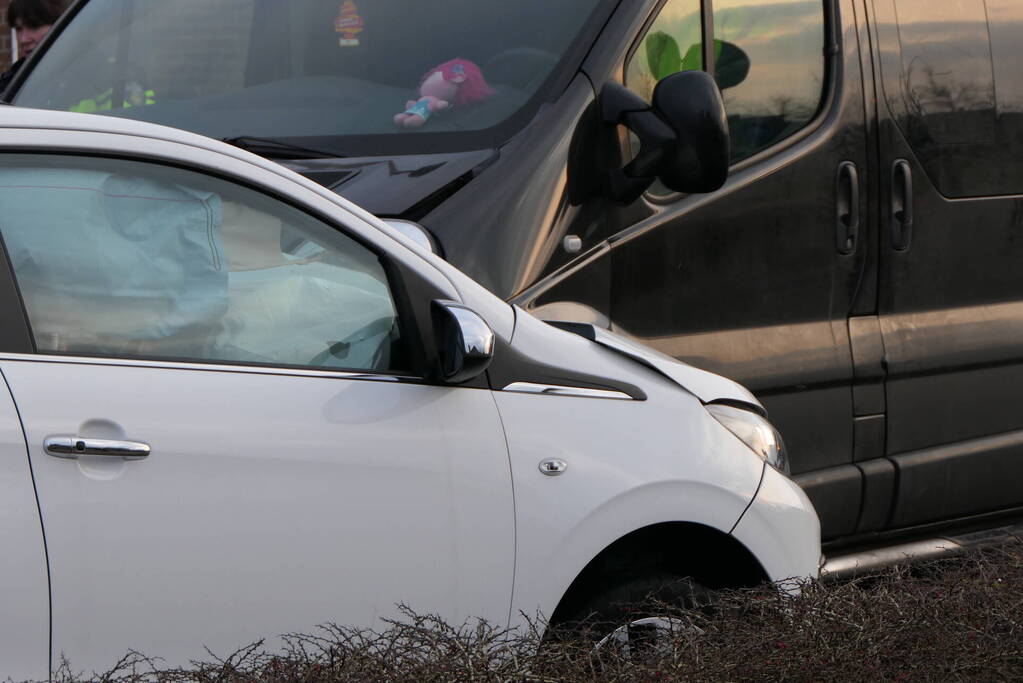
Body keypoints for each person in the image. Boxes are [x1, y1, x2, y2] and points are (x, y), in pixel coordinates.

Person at [0, 0, 69, 93]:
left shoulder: (86, 73)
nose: (23, 39)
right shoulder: (12, 82)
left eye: (34, 26)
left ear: (61, 26)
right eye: (18, 29)